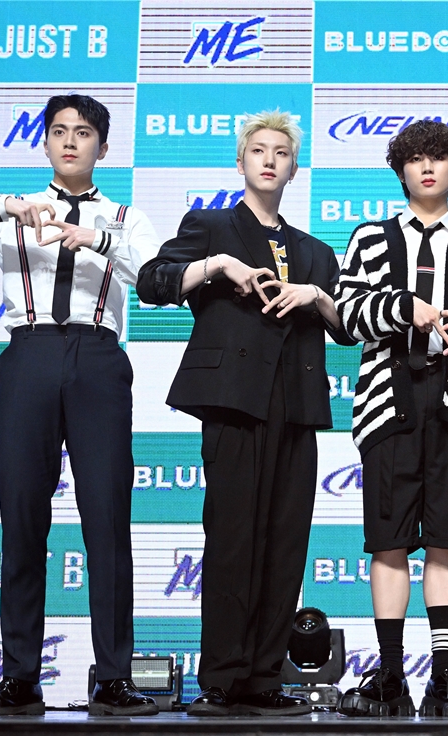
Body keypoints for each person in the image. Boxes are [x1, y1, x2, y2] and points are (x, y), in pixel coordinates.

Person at [0, 94, 160, 716]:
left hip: (98, 358)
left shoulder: (124, 216)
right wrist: (4, 205)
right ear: (45, 142)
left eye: (84, 133)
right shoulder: (12, 212)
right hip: (28, 354)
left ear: (104, 147)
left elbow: (152, 275)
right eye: (59, 131)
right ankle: (21, 675)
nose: (71, 141)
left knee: (108, 519)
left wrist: (95, 239)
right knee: (22, 516)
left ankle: (113, 676)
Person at [135, 110, 354, 716]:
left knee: (286, 543)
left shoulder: (315, 251)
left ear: (294, 168)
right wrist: (217, 266)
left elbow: (346, 328)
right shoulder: (210, 225)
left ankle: (263, 677)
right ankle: (222, 677)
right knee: (233, 539)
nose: (269, 160)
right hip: (235, 400)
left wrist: (317, 296)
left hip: (297, 405)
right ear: (240, 161)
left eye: (281, 152)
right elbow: (151, 282)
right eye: (258, 150)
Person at [334, 120, 448, 718]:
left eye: (439, 157)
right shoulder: (370, 239)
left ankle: (443, 674)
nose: (428, 167)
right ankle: (390, 674)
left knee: (445, 541)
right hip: (386, 404)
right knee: (388, 542)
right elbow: (346, 318)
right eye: (415, 159)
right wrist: (402, 308)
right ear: (401, 171)